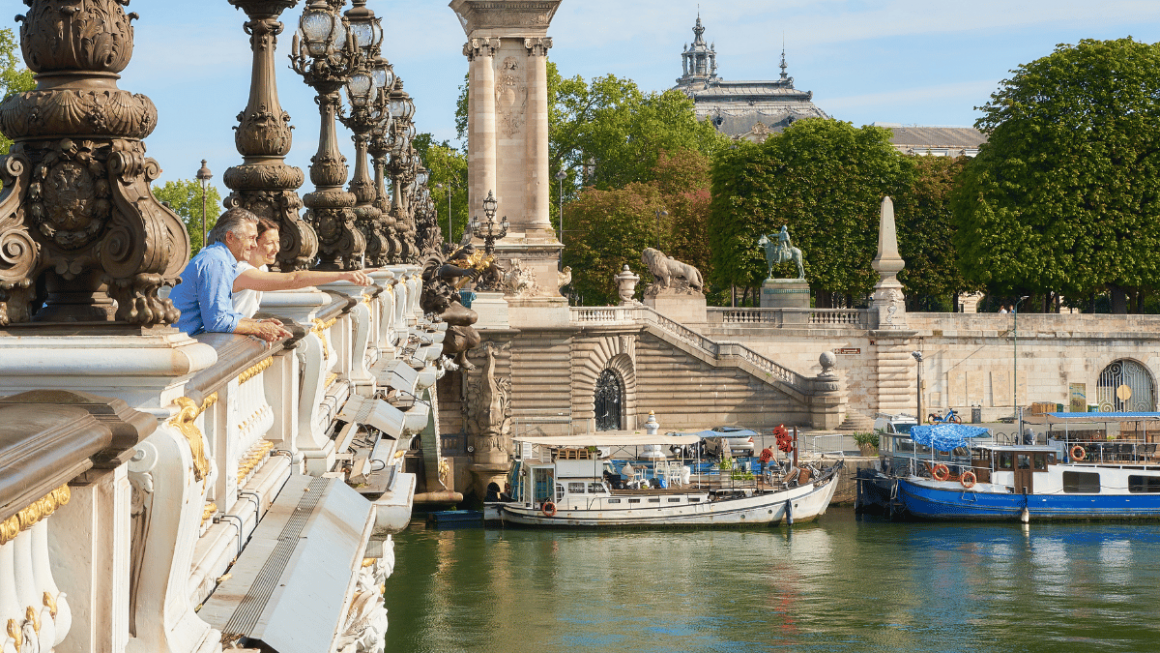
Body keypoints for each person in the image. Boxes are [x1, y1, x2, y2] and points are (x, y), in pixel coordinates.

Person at [170, 208, 291, 343]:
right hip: (183, 344)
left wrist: (258, 322)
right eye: (251, 238)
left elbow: (223, 314)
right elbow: (217, 321)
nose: (254, 245)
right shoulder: (218, 262)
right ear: (230, 237)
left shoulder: (217, 257)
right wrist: (258, 328)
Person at [232, 219, 374, 318]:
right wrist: (344, 276)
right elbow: (293, 279)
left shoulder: (262, 268)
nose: (276, 248)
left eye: (278, 242)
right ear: (253, 243)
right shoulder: (242, 270)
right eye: (270, 243)